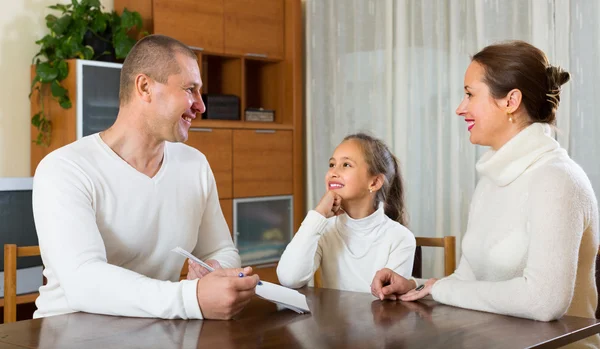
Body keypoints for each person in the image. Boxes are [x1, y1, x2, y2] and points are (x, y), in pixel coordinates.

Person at [371, 41, 599, 336]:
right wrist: (418, 286)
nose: (459, 108)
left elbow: (544, 301)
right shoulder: (491, 179)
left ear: (510, 101)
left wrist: (440, 290)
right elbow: (468, 279)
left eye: (469, 94)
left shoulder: (556, 179)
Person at [32, 34, 259, 320]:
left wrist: (213, 267)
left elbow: (222, 249)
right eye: (191, 89)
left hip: (155, 328)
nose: (201, 106)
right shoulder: (65, 169)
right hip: (70, 333)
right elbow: (83, 282)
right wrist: (191, 298)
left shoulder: (195, 165)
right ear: (144, 87)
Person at [277, 133, 416, 292]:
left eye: (346, 165)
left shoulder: (400, 238)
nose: (333, 173)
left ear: (375, 182)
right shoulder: (323, 229)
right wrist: (318, 215)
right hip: (330, 318)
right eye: (331, 164)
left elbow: (389, 301)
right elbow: (289, 278)